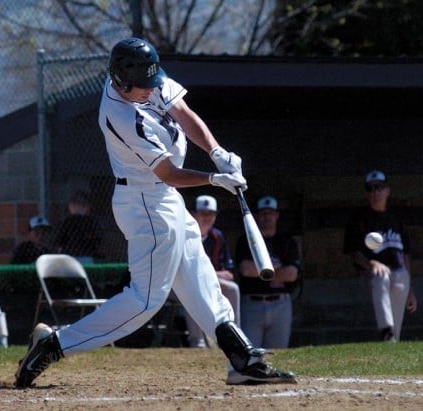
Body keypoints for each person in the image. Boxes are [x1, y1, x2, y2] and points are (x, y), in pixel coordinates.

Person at [15, 37, 295, 388]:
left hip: (166, 198)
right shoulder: (120, 114)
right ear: (121, 81)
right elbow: (167, 173)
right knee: (145, 301)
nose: (152, 90)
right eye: (143, 87)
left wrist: (216, 151)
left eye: (153, 82)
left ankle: (241, 356)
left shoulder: (147, 79)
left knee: (200, 276)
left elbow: (183, 113)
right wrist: (213, 179)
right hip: (144, 202)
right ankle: (54, 343)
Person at [342, 170, 417, 342]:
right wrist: (371, 264)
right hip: (372, 274)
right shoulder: (359, 219)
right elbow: (353, 253)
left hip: (399, 274)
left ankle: (391, 343)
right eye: (371, 188)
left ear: (387, 190)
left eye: (379, 187)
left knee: (395, 333)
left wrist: (411, 289)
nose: (375, 192)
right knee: (381, 277)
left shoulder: (396, 219)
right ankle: (385, 329)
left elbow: (405, 254)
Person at [235, 196, 301, 349]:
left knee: (278, 354)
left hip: (280, 303)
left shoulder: (287, 241)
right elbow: (245, 270)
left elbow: (292, 274)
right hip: (252, 303)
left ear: (277, 215)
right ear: (257, 216)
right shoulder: (246, 240)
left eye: (270, 213)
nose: (267, 217)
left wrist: (262, 271)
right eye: (263, 213)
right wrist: (276, 269)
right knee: (250, 352)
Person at [185, 194, 240, 348]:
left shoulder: (217, 237)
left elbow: (229, 274)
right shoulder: (185, 234)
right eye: (203, 213)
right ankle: (198, 342)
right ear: (194, 214)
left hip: (210, 281)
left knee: (233, 288)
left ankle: (234, 340)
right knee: (193, 289)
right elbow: (185, 271)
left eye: (211, 214)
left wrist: (206, 273)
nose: (207, 217)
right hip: (183, 283)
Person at [54, 190, 104, 263]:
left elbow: (59, 242)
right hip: (82, 255)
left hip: (73, 256)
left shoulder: (69, 221)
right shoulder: (91, 221)